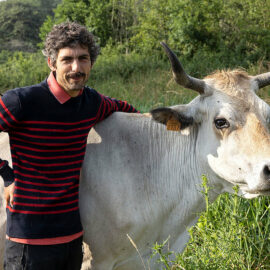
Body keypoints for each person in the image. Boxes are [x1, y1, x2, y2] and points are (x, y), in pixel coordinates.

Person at [0, 21, 138, 270]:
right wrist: (7, 175)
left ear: (91, 62)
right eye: (67, 59)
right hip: (28, 243)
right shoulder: (22, 101)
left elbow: (127, 110)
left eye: (83, 58)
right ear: (51, 63)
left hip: (72, 240)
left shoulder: (92, 102)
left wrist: (164, 124)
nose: (76, 67)